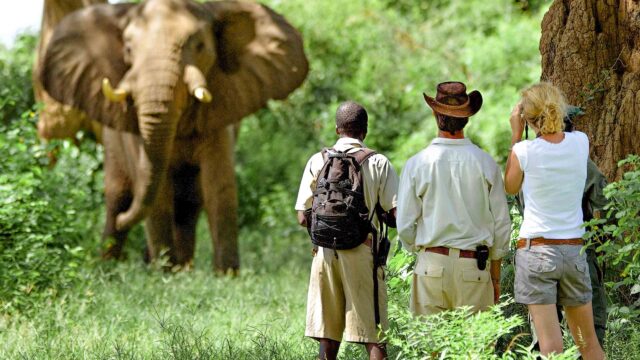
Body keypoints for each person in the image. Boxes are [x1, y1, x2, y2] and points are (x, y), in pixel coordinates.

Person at [504, 82, 605, 359]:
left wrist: (515, 135)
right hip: (573, 251)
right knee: (588, 344)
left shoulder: (523, 150)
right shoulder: (580, 142)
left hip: (537, 252)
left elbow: (510, 187)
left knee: (551, 349)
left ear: (527, 118)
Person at [295, 101, 399, 360]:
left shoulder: (318, 160)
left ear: (337, 128)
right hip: (362, 251)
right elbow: (396, 214)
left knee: (328, 337)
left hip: (324, 255)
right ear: (365, 130)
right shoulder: (378, 162)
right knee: (374, 336)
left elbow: (301, 216)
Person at [397, 81, 511, 316]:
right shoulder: (485, 163)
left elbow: (405, 226)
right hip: (474, 267)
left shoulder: (417, 164)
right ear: (467, 118)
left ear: (434, 114)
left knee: (431, 349)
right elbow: (501, 224)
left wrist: (420, 250)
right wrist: (495, 275)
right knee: (476, 350)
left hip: (431, 264)